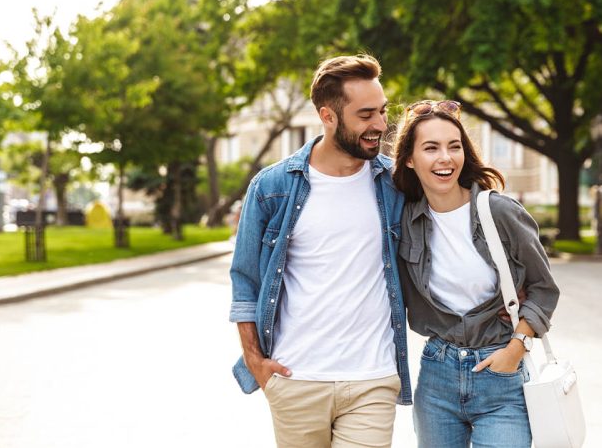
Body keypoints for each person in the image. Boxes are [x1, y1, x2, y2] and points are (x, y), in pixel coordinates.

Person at [229, 54, 411, 448]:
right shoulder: (272, 187)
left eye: (382, 111)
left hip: (372, 378)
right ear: (328, 116)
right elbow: (245, 281)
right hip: (296, 379)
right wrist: (256, 363)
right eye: (366, 115)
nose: (380, 125)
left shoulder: (395, 183)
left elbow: (446, 231)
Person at [392, 100, 560, 447]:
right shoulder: (403, 221)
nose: (445, 158)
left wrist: (517, 346)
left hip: (501, 373)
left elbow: (543, 288)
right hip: (437, 375)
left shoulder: (499, 211)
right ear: (410, 159)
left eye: (454, 147)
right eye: (431, 148)